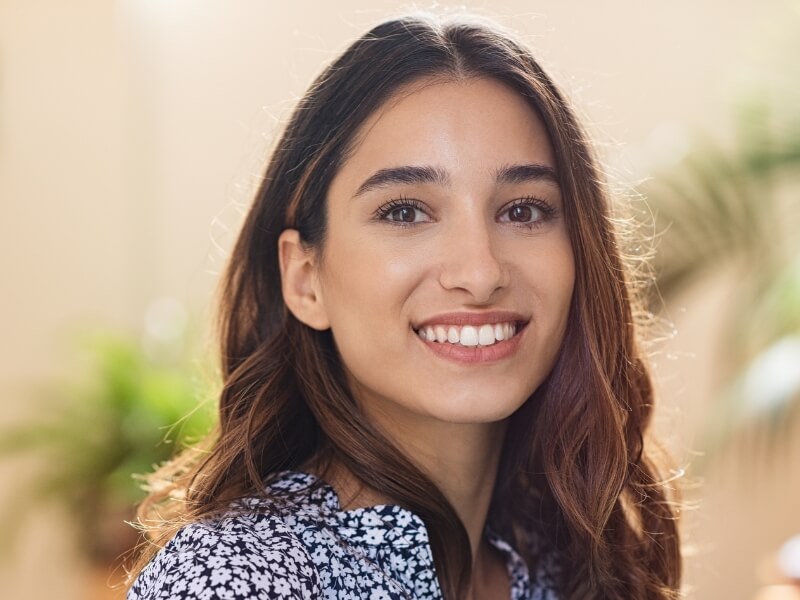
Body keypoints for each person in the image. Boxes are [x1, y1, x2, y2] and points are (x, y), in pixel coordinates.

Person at [126, 13, 682, 600]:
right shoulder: (242, 580)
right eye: (405, 211)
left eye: (523, 210)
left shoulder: (568, 561)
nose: (480, 272)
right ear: (305, 278)